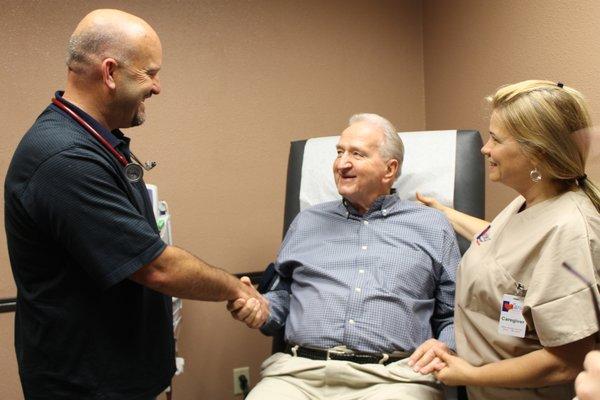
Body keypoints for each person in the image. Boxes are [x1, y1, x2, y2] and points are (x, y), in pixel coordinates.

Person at [4, 9, 266, 400]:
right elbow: (156, 267)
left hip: (121, 375)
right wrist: (234, 288)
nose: (157, 87)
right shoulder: (63, 159)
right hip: (86, 386)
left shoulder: (95, 140)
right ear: (110, 73)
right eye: (150, 73)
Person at [229, 113, 461, 400]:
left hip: (393, 378)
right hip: (299, 374)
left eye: (357, 154)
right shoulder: (307, 222)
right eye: (339, 152)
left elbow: (454, 314)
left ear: (389, 170)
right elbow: (283, 298)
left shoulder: (431, 226)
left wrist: (446, 345)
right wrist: (261, 308)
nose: (342, 163)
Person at [415, 80, 600, 400]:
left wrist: (470, 373)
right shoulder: (533, 201)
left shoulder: (569, 231)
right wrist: (443, 212)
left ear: (536, 152)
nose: (485, 148)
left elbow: (566, 362)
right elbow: (504, 246)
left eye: (496, 139)